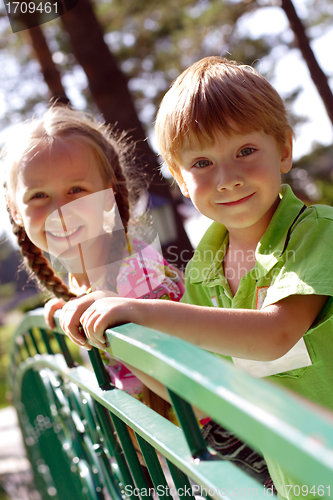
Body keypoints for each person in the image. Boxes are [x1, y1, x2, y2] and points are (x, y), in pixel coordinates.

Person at [59, 57, 333, 499]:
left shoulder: (317, 232)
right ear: (180, 179)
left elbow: (275, 334)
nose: (227, 179)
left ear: (283, 149)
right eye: (202, 163)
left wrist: (142, 310)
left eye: (245, 151)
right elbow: (204, 392)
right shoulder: (207, 264)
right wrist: (114, 331)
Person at [2, 104, 184, 399]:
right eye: (39, 195)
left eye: (76, 190)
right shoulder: (84, 282)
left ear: (108, 195)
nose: (61, 211)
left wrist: (104, 333)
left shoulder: (138, 278)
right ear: (15, 211)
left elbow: (196, 403)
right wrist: (74, 306)